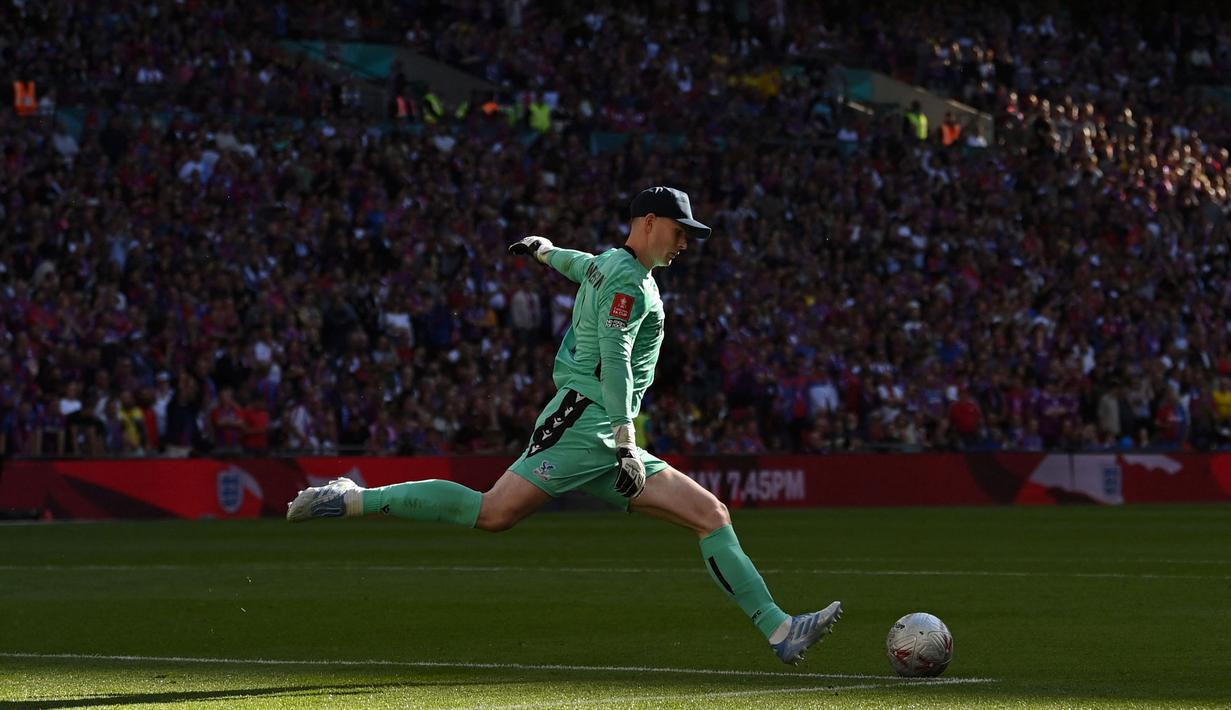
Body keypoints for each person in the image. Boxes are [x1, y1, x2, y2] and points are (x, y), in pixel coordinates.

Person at [287, 186, 842, 665]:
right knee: (492, 512)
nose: (685, 243)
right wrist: (627, 441)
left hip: (606, 429)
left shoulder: (614, 264)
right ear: (649, 223)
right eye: (679, 231)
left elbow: (583, 266)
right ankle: (355, 497)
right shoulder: (628, 280)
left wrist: (547, 251)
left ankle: (779, 630)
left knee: (709, 514)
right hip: (587, 425)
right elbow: (616, 358)